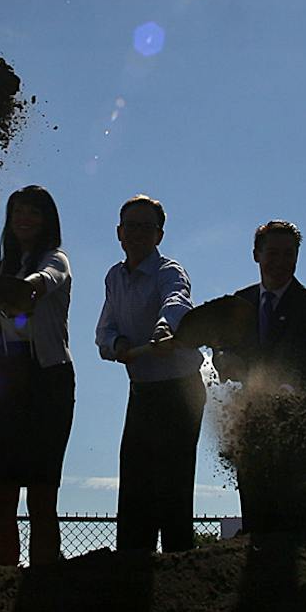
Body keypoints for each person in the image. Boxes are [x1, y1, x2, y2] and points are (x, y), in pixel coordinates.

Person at [212, 220, 306, 544]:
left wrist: (275, 390)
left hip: (300, 434)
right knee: (259, 530)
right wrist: (223, 360)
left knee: (305, 533)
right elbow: (222, 346)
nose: (280, 262)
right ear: (256, 255)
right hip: (252, 432)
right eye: (273, 253)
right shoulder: (238, 303)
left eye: (289, 254)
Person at [96, 194, 206, 555]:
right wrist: (118, 343)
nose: (138, 233)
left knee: (173, 482)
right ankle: (132, 562)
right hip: (142, 390)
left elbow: (177, 301)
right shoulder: (114, 277)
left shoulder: (169, 271)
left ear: (159, 235)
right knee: (136, 479)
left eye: (147, 227)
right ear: (119, 233)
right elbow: (104, 331)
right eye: (132, 226)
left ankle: (179, 563)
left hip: (181, 391)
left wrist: (163, 328)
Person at [0, 185, 75, 565]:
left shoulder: (56, 258)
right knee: (0, 487)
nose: (24, 218)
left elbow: (47, 280)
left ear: (47, 219)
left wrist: (17, 292)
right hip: (7, 378)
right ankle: (3, 577)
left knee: (41, 489)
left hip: (48, 378)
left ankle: (43, 580)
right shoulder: (6, 269)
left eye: (33, 211)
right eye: (18, 211)